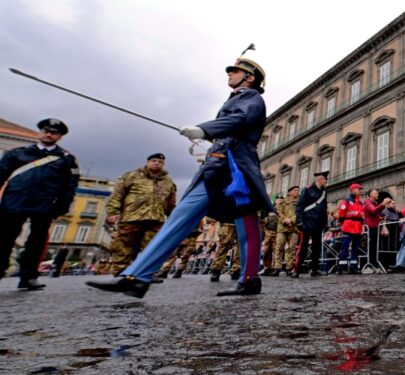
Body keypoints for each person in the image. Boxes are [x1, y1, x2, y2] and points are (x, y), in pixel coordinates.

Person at [87, 49, 273, 297]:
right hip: (216, 165)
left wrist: (203, 130)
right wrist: (206, 133)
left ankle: (249, 279)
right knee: (180, 218)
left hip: (235, 168)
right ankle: (138, 276)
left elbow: (240, 121)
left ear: (249, 78)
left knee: (246, 225)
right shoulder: (234, 98)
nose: (230, 74)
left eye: (235, 71)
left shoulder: (251, 97)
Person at [0, 118, 79, 290]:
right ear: (39, 132)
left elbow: (70, 186)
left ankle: (28, 277)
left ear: (59, 137)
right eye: (45, 131)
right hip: (14, 201)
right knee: (4, 238)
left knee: (36, 241)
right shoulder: (17, 153)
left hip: (44, 204)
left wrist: (62, 206)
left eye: (53, 132)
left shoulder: (67, 159)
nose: (48, 134)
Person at [106, 153, 177, 275]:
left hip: (156, 219)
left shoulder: (168, 181)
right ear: (147, 162)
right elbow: (117, 194)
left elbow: (171, 202)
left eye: (160, 162)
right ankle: (120, 271)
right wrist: (113, 212)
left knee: (152, 247)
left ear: (163, 165)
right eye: (154, 160)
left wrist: (173, 218)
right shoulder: (132, 176)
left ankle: (147, 273)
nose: (157, 163)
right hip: (131, 217)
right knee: (123, 245)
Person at [292, 171, 329, 278]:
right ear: (320, 179)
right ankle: (297, 269)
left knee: (317, 247)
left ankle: (315, 269)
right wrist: (299, 221)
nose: (326, 181)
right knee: (303, 247)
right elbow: (299, 206)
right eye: (325, 179)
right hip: (307, 222)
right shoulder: (307, 190)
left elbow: (324, 208)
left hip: (318, 223)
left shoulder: (324, 192)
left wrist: (325, 222)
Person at [270, 186, 300, 276]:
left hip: (294, 228)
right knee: (279, 247)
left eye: (297, 191)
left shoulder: (299, 203)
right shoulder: (282, 202)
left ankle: (289, 268)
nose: (296, 192)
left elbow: (299, 213)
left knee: (292, 248)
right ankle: (277, 268)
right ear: (289, 192)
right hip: (282, 228)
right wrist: (285, 220)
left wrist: (292, 220)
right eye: (294, 190)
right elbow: (278, 212)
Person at [337, 183, 366, 274]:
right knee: (344, 247)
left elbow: (362, 216)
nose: (359, 191)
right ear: (353, 190)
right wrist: (343, 224)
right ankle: (342, 267)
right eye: (358, 189)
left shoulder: (360, 202)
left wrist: (361, 226)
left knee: (355, 248)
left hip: (357, 227)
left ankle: (353, 267)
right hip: (348, 225)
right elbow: (341, 214)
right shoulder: (346, 201)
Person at [364, 189, 390, 271]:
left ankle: (374, 263)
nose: (377, 194)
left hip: (375, 227)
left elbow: (376, 215)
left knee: (375, 247)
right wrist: (383, 204)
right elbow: (373, 210)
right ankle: (371, 264)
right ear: (370, 195)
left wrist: (381, 219)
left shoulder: (374, 203)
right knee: (371, 247)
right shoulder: (368, 203)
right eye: (375, 193)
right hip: (370, 228)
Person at [259, 198, 281, 275]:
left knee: (276, 251)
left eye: (280, 200)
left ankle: (275, 268)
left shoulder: (282, 210)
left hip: (277, 233)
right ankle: (267, 267)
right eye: (278, 200)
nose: (279, 201)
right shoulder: (269, 209)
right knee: (266, 251)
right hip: (268, 232)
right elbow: (262, 220)